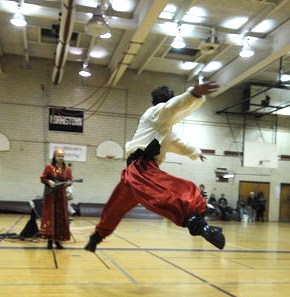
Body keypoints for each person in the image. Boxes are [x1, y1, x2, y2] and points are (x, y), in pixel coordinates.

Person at [85, 81, 225, 253]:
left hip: (136, 171)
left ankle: (95, 238)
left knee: (116, 207)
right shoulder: (155, 113)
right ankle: (201, 226)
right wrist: (192, 94)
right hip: (140, 168)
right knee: (179, 191)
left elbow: (178, 144)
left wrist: (195, 152)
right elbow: (170, 109)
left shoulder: (167, 128)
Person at [39, 148, 72, 249]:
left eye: (62, 156)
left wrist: (69, 183)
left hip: (61, 196)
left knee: (61, 218)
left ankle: (58, 241)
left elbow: (70, 179)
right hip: (51, 196)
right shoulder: (49, 167)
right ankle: (49, 240)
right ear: (54, 156)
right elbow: (42, 178)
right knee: (51, 216)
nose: (60, 158)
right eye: (58, 156)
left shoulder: (67, 169)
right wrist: (49, 182)